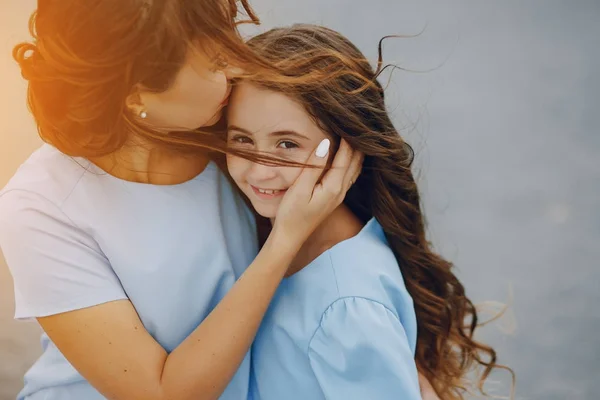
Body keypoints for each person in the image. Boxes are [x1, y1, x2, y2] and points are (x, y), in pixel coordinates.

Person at [0, 2, 363, 400]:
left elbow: (350, 238)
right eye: (217, 62)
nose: (239, 69)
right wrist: (284, 242)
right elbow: (160, 394)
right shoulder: (41, 207)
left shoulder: (234, 132)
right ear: (137, 94)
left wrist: (403, 361)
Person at [226, 24, 508, 400]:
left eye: (288, 144)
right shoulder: (270, 233)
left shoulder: (348, 308)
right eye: (242, 139)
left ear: (347, 150)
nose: (259, 169)